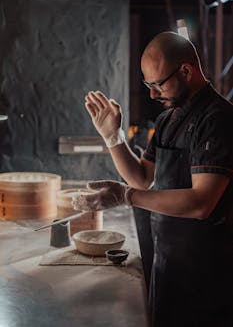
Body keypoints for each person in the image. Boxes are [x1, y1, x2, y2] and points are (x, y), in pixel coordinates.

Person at [73, 32, 233, 327]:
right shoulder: (167, 120)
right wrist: (113, 138)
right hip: (168, 263)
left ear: (186, 71)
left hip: (207, 274)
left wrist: (125, 196)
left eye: (158, 84)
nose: (152, 94)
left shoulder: (218, 119)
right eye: (148, 85)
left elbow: (201, 203)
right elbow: (143, 178)